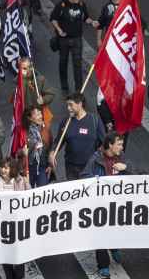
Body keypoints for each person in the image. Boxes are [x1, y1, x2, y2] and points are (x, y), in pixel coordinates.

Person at [81, 132, 127, 278]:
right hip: (99, 204)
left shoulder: (121, 157)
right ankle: (103, 264)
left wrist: (125, 167)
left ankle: (113, 247)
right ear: (110, 145)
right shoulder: (96, 159)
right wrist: (96, 180)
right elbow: (84, 176)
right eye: (119, 144)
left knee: (114, 229)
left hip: (116, 203)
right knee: (99, 234)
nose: (122, 147)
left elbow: (136, 174)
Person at [0, 157, 31, 278]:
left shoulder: (22, 181)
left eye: (6, 168)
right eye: (1, 167)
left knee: (19, 257)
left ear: (12, 169)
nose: (3, 170)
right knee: (5, 256)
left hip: (17, 225)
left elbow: (31, 200)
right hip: (0, 225)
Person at [50, 0, 99, 94]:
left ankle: (78, 91)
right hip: (64, 40)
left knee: (77, 65)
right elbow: (53, 18)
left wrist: (92, 22)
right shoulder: (61, 5)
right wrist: (59, 30)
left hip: (77, 39)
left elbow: (85, 17)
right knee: (63, 63)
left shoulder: (81, 4)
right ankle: (64, 88)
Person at [49, 92, 105, 181]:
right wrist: (52, 152)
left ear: (80, 104)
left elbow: (104, 142)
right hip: (71, 167)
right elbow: (58, 141)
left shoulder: (95, 120)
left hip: (90, 166)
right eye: (67, 105)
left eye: (71, 105)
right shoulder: (66, 121)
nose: (68, 108)